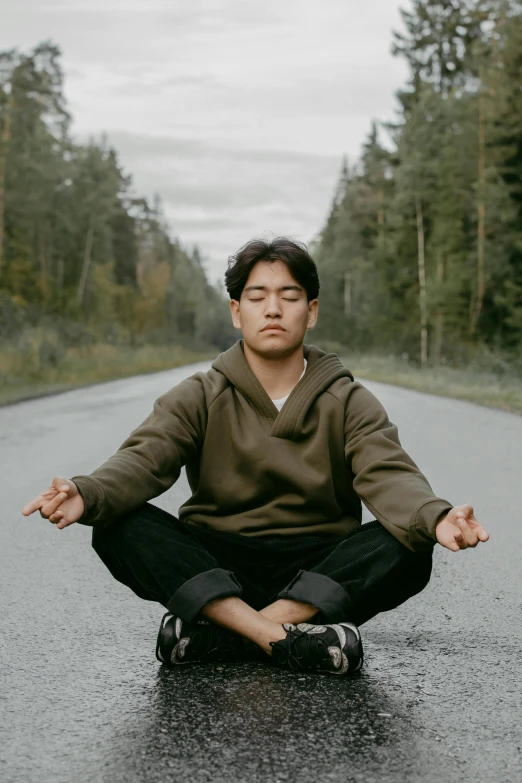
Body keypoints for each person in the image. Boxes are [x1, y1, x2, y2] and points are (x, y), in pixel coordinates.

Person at [22, 237, 489, 676]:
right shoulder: (200, 394)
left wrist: (435, 515)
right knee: (117, 524)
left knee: (409, 544)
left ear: (311, 312)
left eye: (289, 296)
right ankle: (288, 640)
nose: (272, 309)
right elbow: (145, 458)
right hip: (218, 559)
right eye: (257, 296)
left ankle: (224, 633)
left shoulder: (348, 400)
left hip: (318, 564)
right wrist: (89, 491)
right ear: (235, 311)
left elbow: (387, 473)